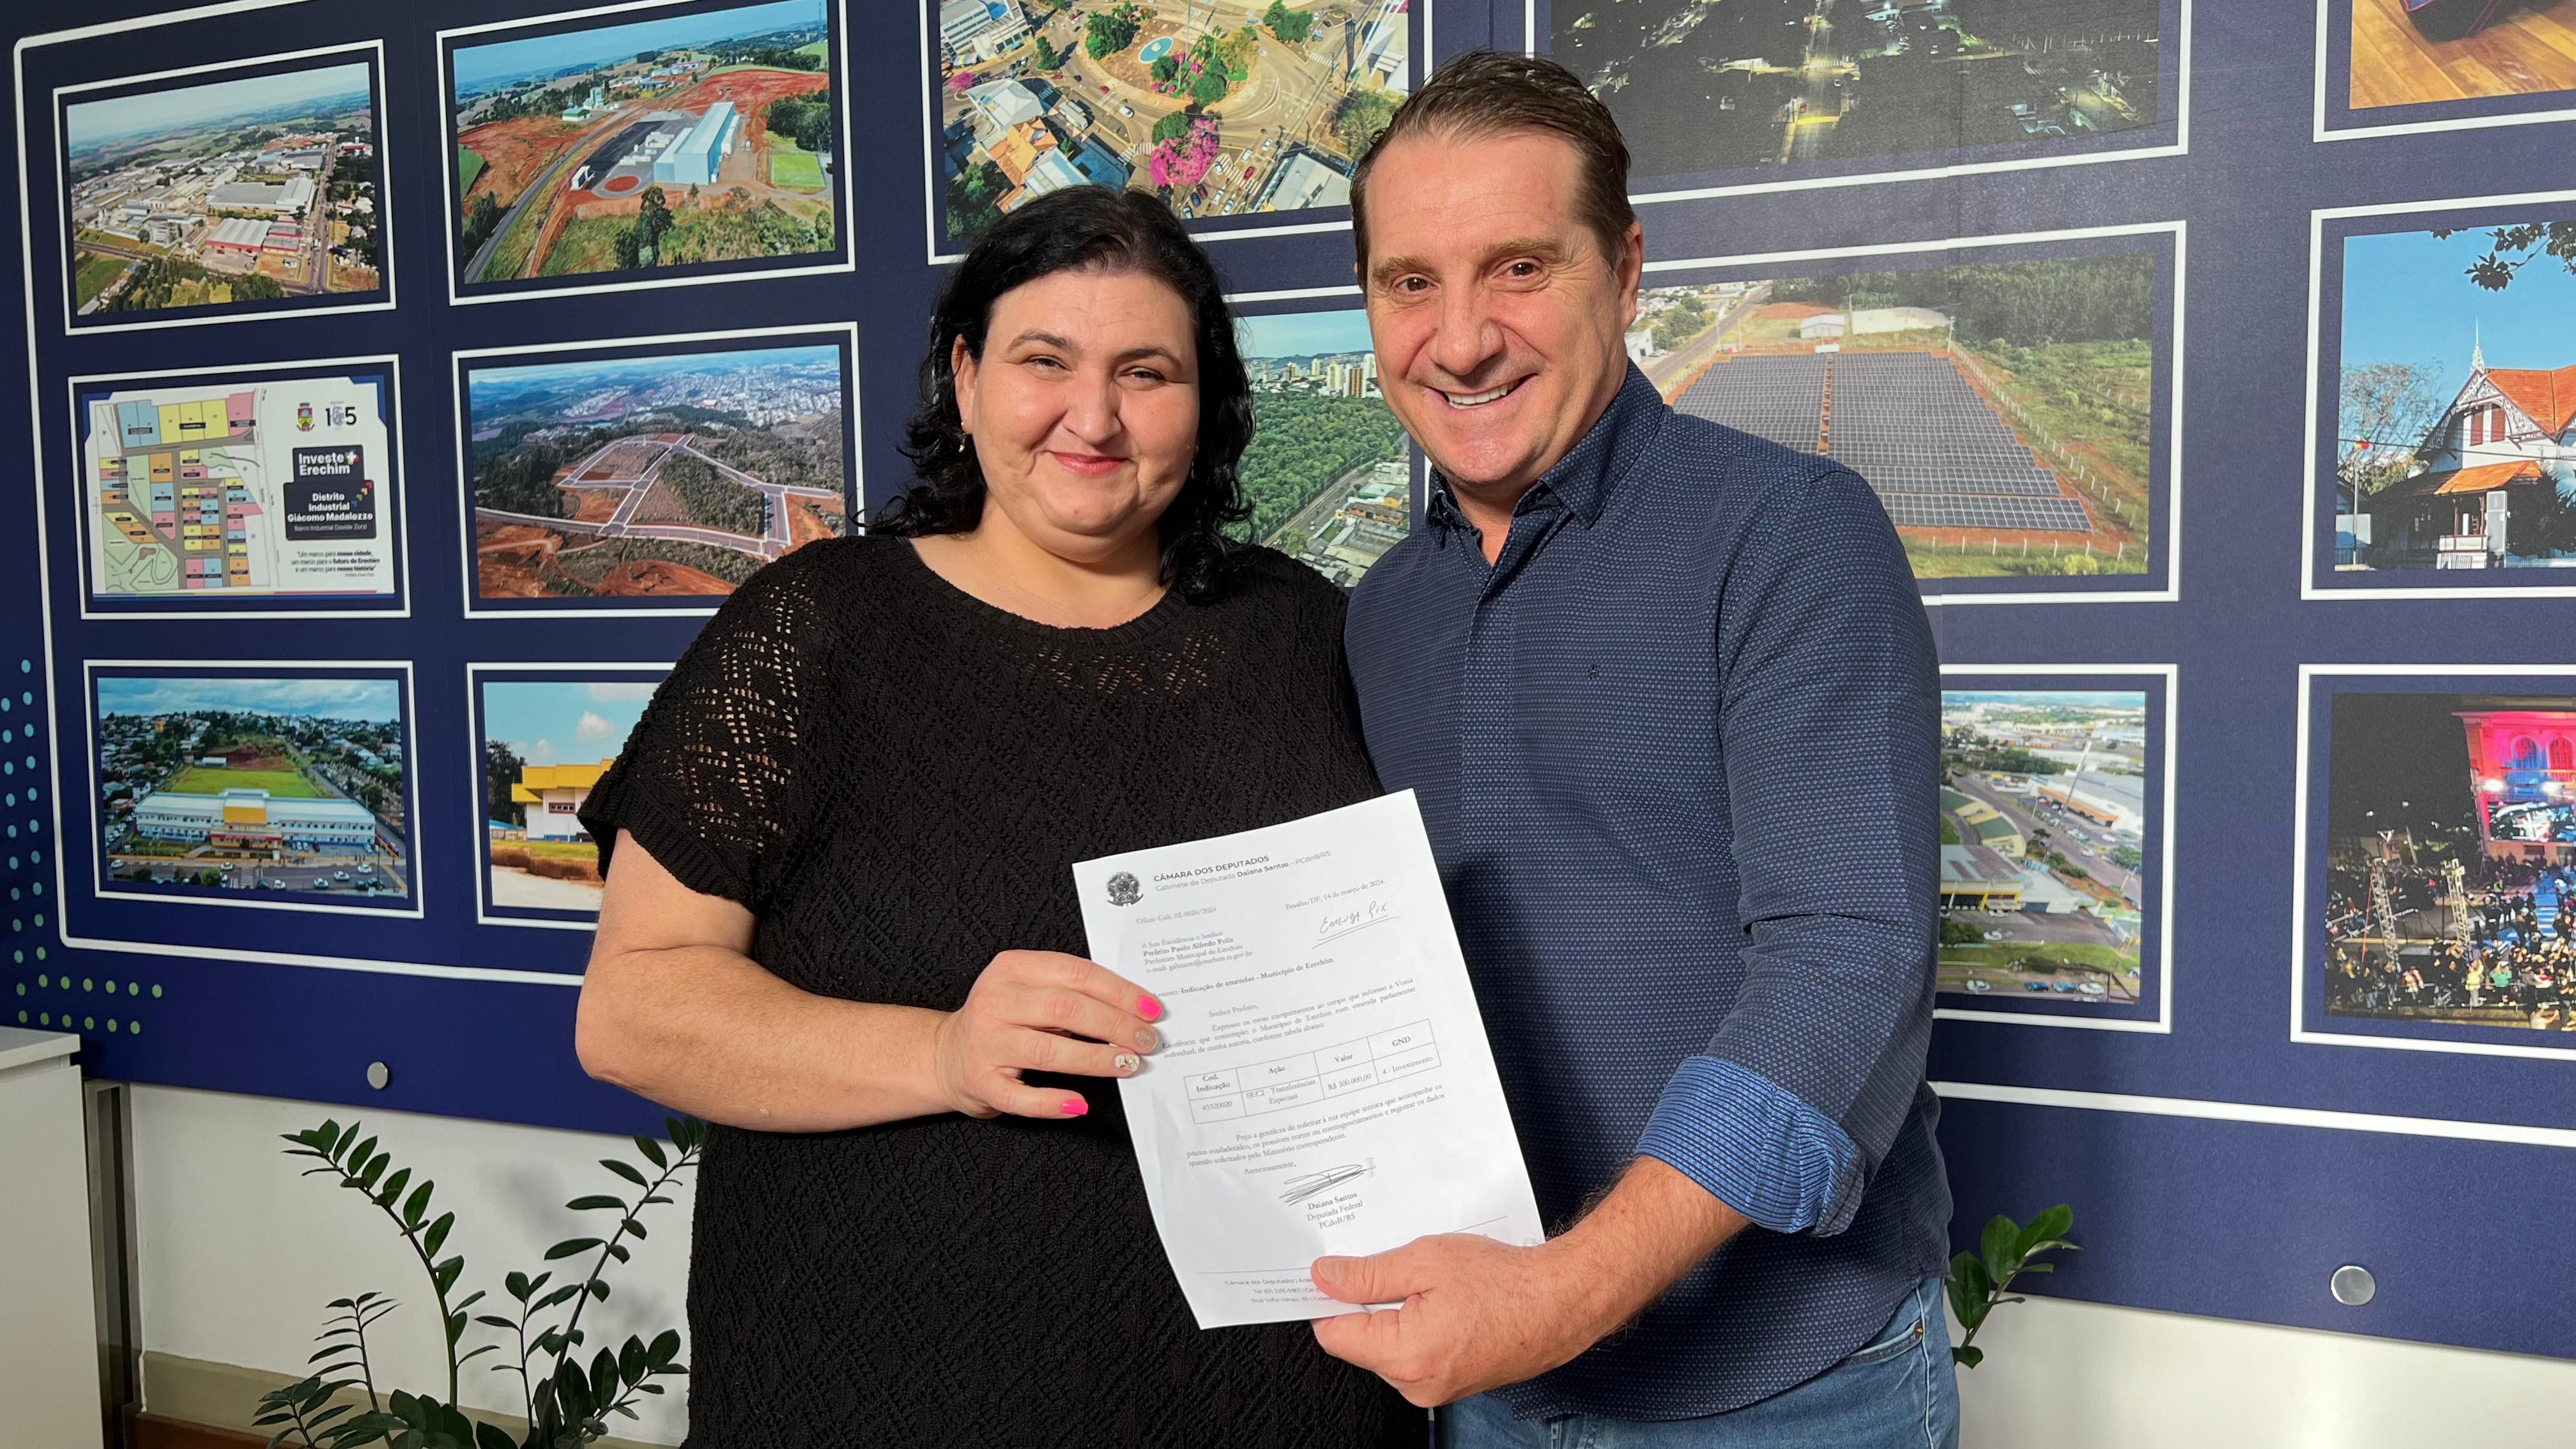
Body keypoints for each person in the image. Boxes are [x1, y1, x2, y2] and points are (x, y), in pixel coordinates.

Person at [571, 185, 1417, 1448]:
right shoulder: (818, 631)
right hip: (886, 1387)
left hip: (1273, 1390)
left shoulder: (1304, 633)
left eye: (1146, 372)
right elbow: (633, 1013)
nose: (1095, 415)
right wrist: (941, 1055)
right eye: (1045, 362)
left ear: (1207, 401)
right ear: (965, 380)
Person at [1312, 52, 1959, 1446]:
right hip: (1487, 1378)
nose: (1460, 340)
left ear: (1625, 270)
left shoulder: (1792, 534)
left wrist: (1565, 1293)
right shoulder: (1381, 612)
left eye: (1519, 269)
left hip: (1783, 1392)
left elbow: (1847, 957)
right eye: (1410, 282)